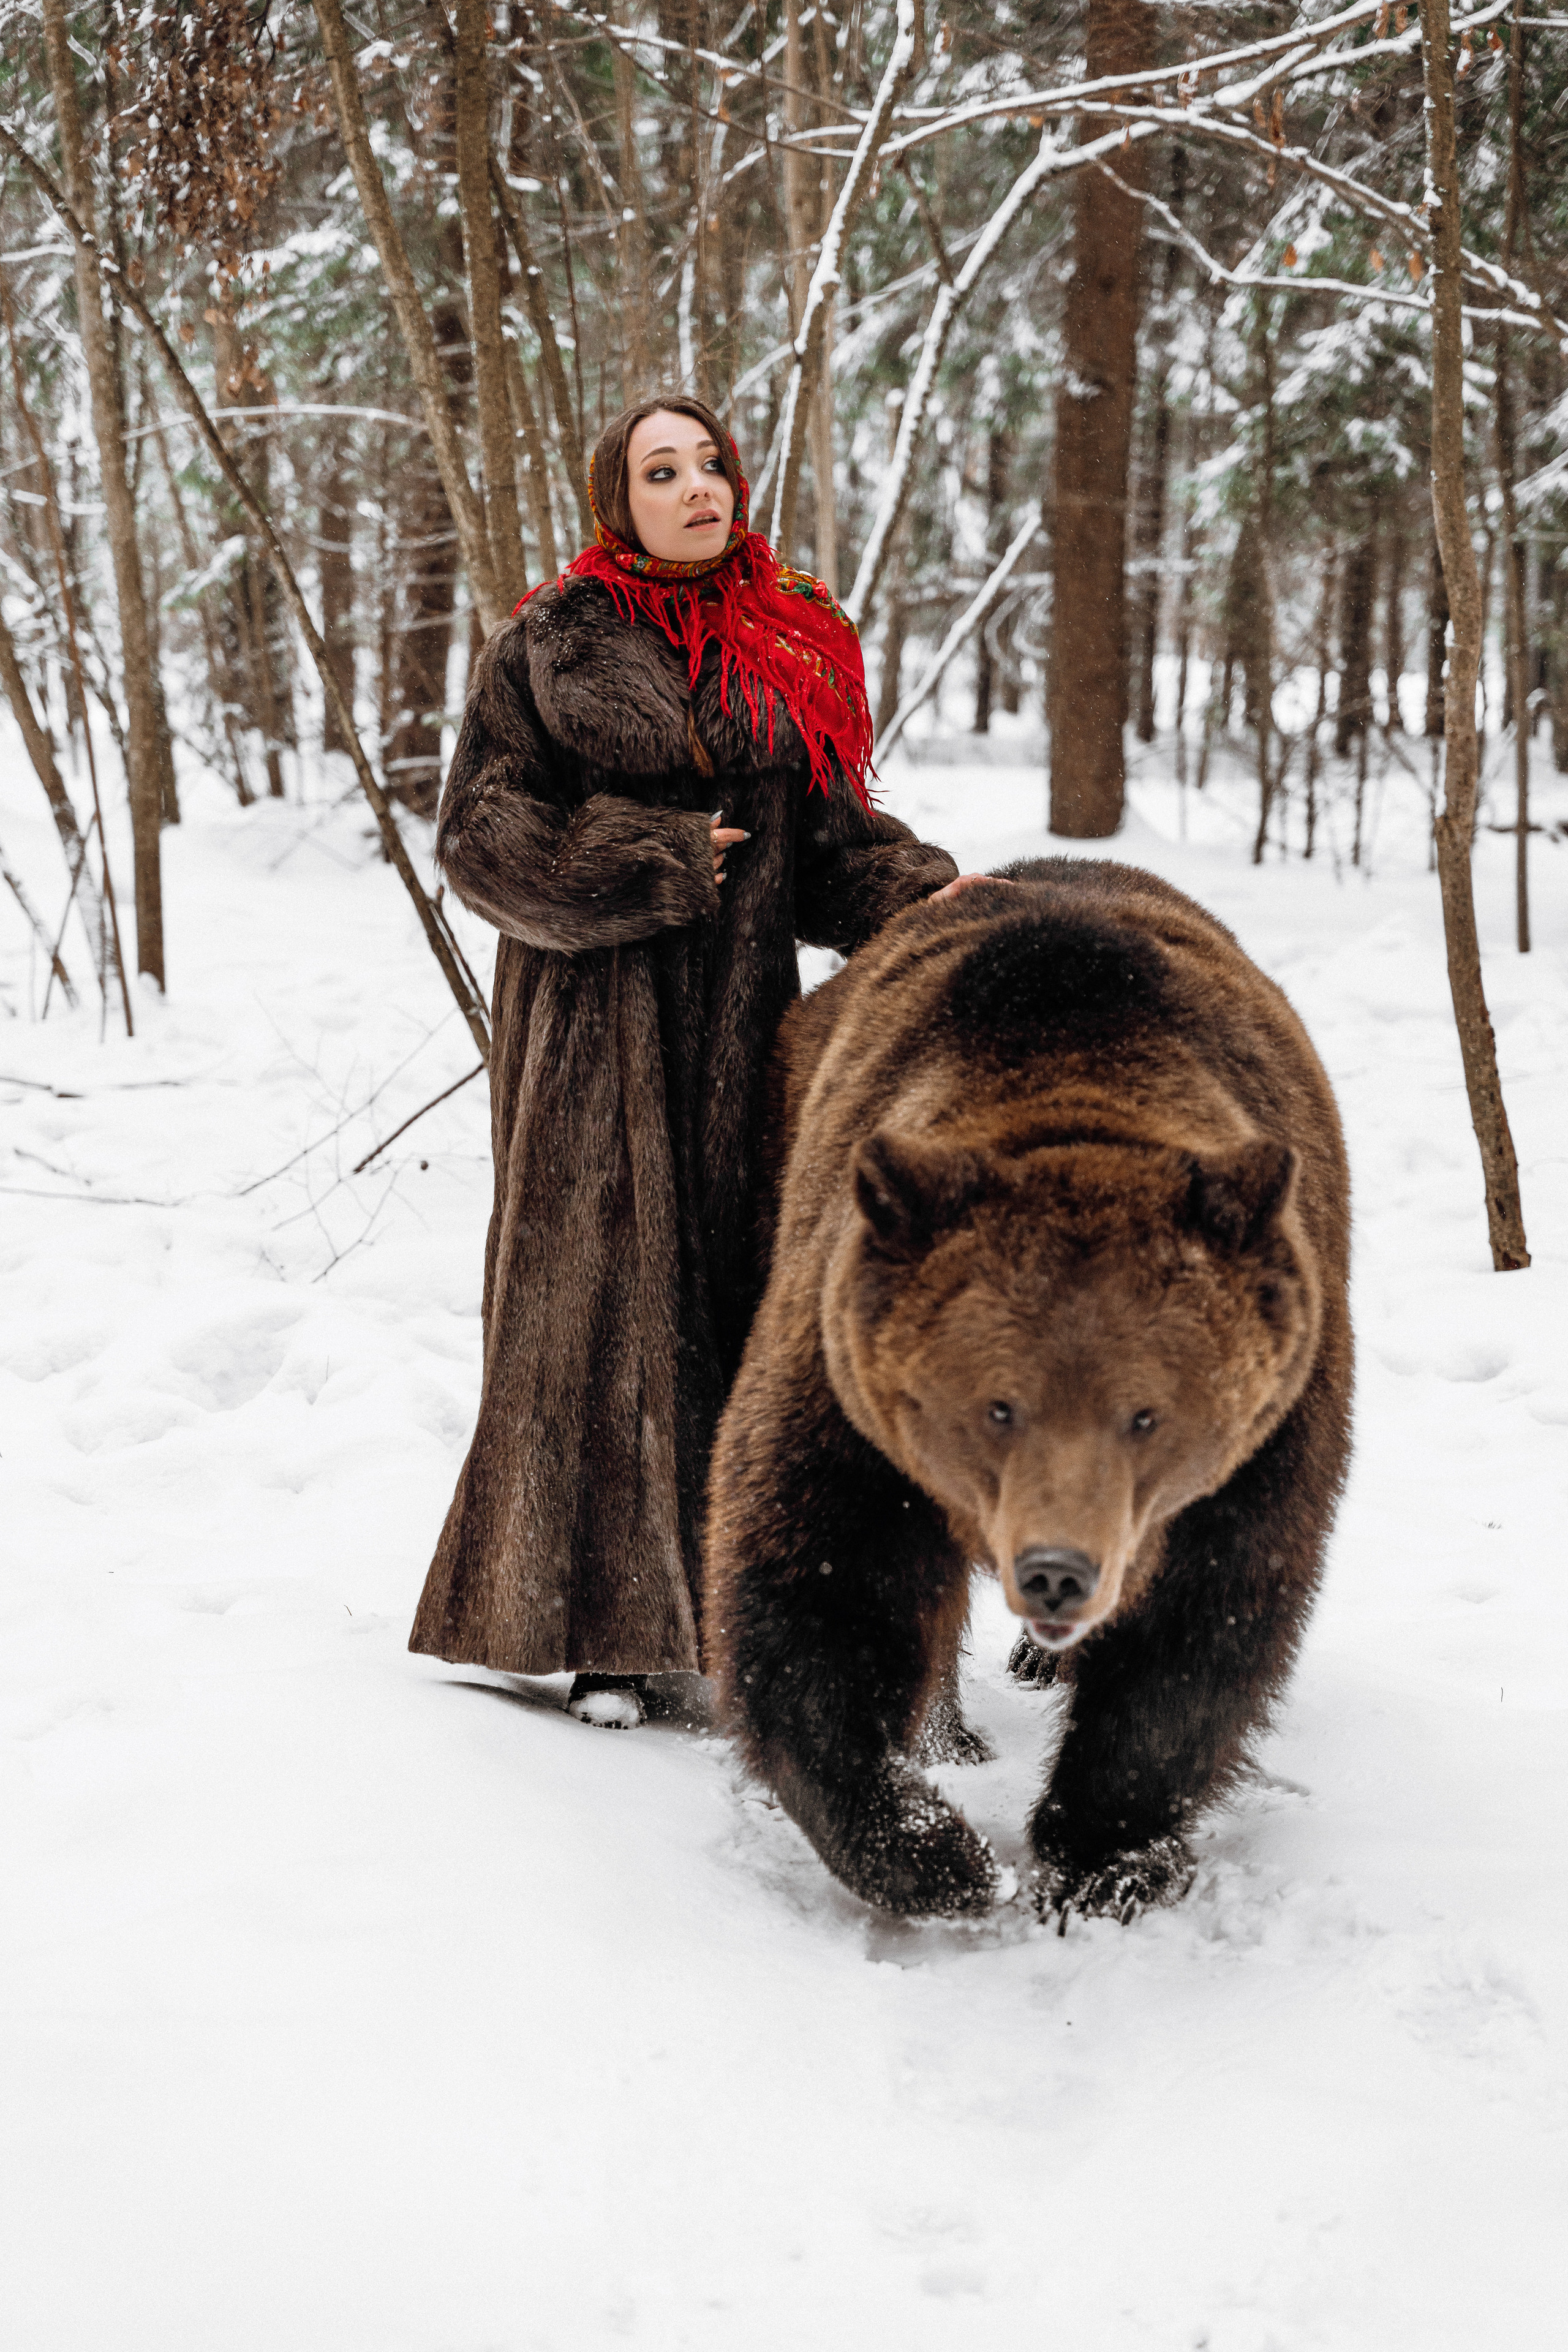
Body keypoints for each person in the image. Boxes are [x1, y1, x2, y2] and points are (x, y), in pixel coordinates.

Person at [409, 393, 967, 1728]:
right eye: (664, 471)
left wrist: (925, 899)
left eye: (710, 462)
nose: (698, 487)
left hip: (736, 1039)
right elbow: (478, 837)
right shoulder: (549, 642)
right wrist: (641, 856)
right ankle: (596, 1628)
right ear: (620, 495)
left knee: (730, 1306)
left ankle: (729, 1611)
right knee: (589, 1312)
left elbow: (830, 854)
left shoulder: (792, 643)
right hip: (585, 1029)